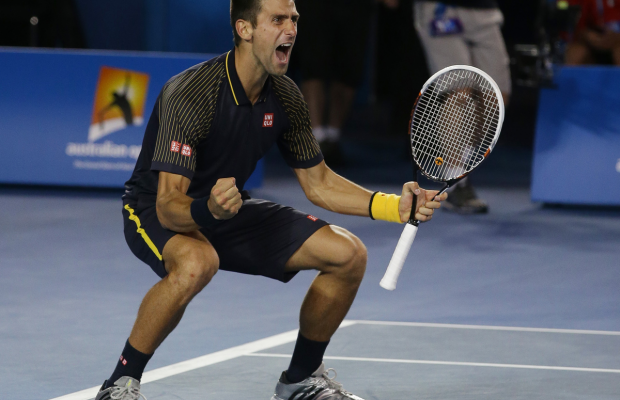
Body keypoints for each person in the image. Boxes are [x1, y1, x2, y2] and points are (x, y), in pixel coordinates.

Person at [95, 1, 447, 400]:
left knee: (348, 254)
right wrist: (206, 210)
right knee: (197, 262)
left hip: (227, 209)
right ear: (245, 29)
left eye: (294, 19)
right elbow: (167, 205)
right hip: (158, 209)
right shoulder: (190, 93)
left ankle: (299, 379)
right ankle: (120, 383)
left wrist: (392, 206)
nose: (291, 29)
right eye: (278, 20)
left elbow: (318, 182)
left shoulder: (286, 95)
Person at [388, 0, 511, 214]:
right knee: (459, 91)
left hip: (485, 11)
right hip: (440, 10)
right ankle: (456, 182)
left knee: (497, 98)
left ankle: (463, 156)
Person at [294, 0, 397, 164]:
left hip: (355, 7)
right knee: (313, 69)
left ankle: (333, 138)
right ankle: (317, 138)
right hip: (314, 5)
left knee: (349, 72)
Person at [565, 0, 620, 65]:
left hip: (616, 39)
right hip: (587, 40)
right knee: (575, 54)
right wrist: (586, 34)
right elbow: (569, 23)